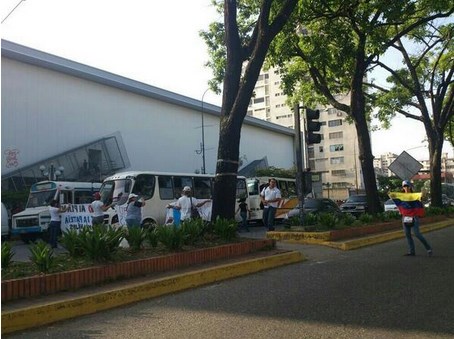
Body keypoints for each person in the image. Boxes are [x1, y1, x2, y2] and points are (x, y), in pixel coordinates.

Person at [401, 180, 432, 257]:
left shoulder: (415, 196)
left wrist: (422, 195)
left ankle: (428, 248)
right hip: (405, 217)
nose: (406, 188)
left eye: (407, 186)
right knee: (407, 235)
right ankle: (412, 251)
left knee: (417, 234)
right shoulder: (401, 196)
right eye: (404, 186)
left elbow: (420, 202)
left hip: (414, 217)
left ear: (410, 187)